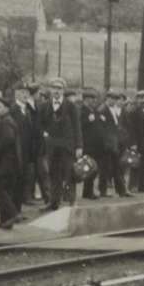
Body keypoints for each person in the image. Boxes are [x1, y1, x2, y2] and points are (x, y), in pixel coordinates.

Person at [37, 76, 84, 208]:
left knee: (70, 173)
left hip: (68, 145)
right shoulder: (45, 106)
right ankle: (54, 201)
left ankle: (72, 201)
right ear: (50, 90)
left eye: (59, 88)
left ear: (63, 90)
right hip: (52, 146)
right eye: (54, 88)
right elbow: (39, 124)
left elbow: (77, 126)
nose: (56, 91)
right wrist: (44, 133)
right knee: (53, 174)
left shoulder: (71, 106)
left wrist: (79, 146)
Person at [0, 91, 24, 228]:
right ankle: (5, 221)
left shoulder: (6, 121)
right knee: (5, 190)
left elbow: (8, 139)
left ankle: (12, 214)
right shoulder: (3, 120)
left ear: (7, 108)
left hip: (6, 163)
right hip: (7, 163)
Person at [123, 88, 144, 193]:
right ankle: (132, 185)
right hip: (137, 142)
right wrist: (133, 143)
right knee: (135, 164)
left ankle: (142, 186)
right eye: (141, 98)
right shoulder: (134, 112)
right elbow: (131, 128)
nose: (143, 101)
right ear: (137, 99)